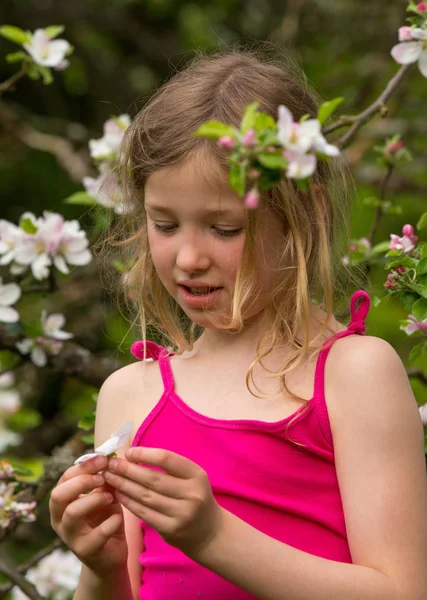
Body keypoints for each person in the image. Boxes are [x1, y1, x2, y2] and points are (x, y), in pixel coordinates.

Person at [49, 48, 427, 600]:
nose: (188, 258)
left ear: (306, 215)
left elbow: (402, 592)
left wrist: (214, 535)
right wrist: (102, 570)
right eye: (165, 224)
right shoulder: (131, 395)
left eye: (224, 228)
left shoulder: (353, 374)